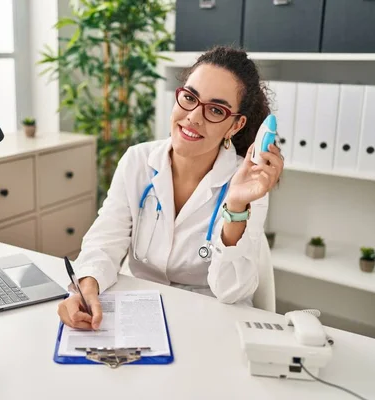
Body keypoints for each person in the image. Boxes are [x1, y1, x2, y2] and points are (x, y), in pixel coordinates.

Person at [58, 46, 284, 330]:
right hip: (137, 311)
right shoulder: (137, 161)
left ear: (235, 125)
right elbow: (105, 240)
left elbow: (231, 292)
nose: (193, 117)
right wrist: (86, 287)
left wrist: (236, 206)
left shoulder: (246, 183)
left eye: (215, 109)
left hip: (207, 322)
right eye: (189, 98)